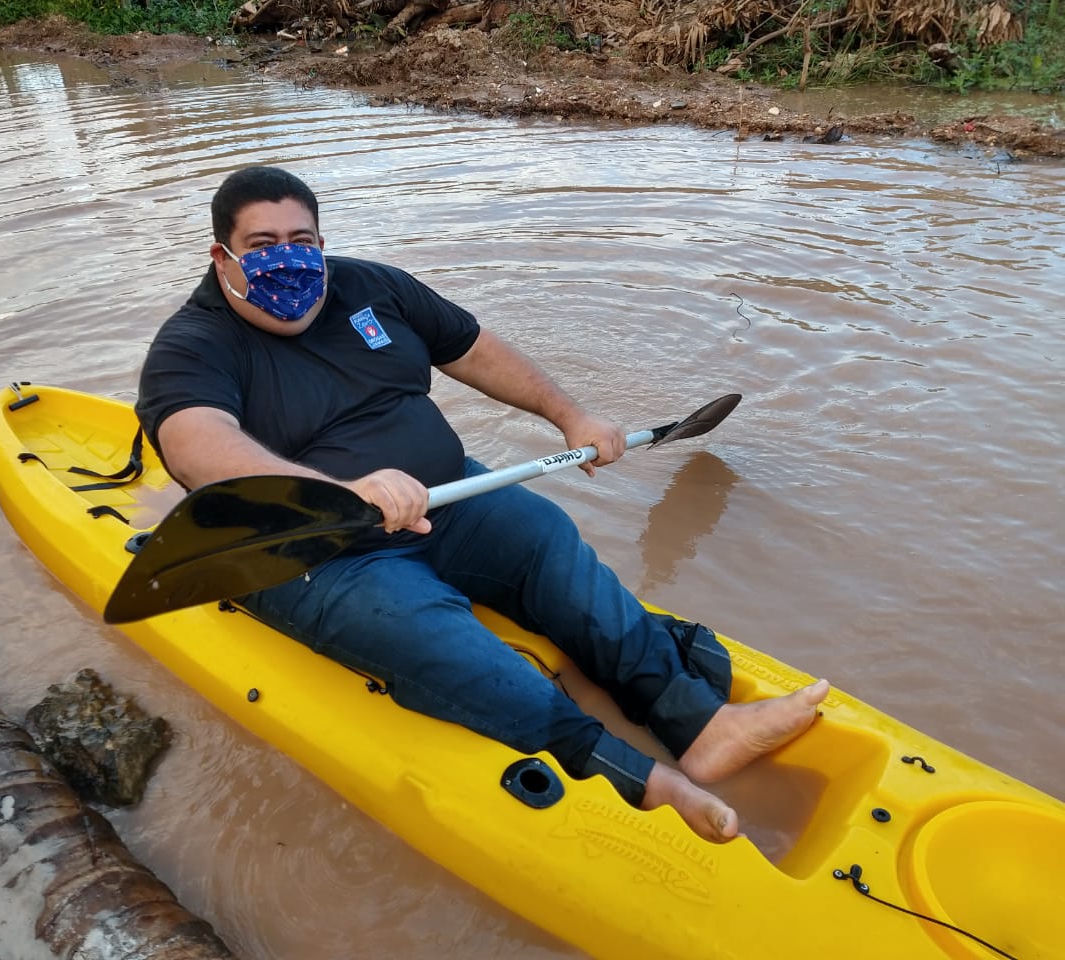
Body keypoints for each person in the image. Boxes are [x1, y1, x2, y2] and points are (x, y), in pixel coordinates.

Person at [136, 165, 828, 843]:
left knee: (545, 536)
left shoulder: (371, 288)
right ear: (221, 256)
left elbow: (472, 349)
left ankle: (701, 726)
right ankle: (638, 778)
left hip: (447, 498)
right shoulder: (193, 345)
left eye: (303, 240)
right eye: (263, 246)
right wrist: (338, 492)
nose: (288, 259)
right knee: (437, 635)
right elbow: (197, 442)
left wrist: (572, 417)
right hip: (312, 547)